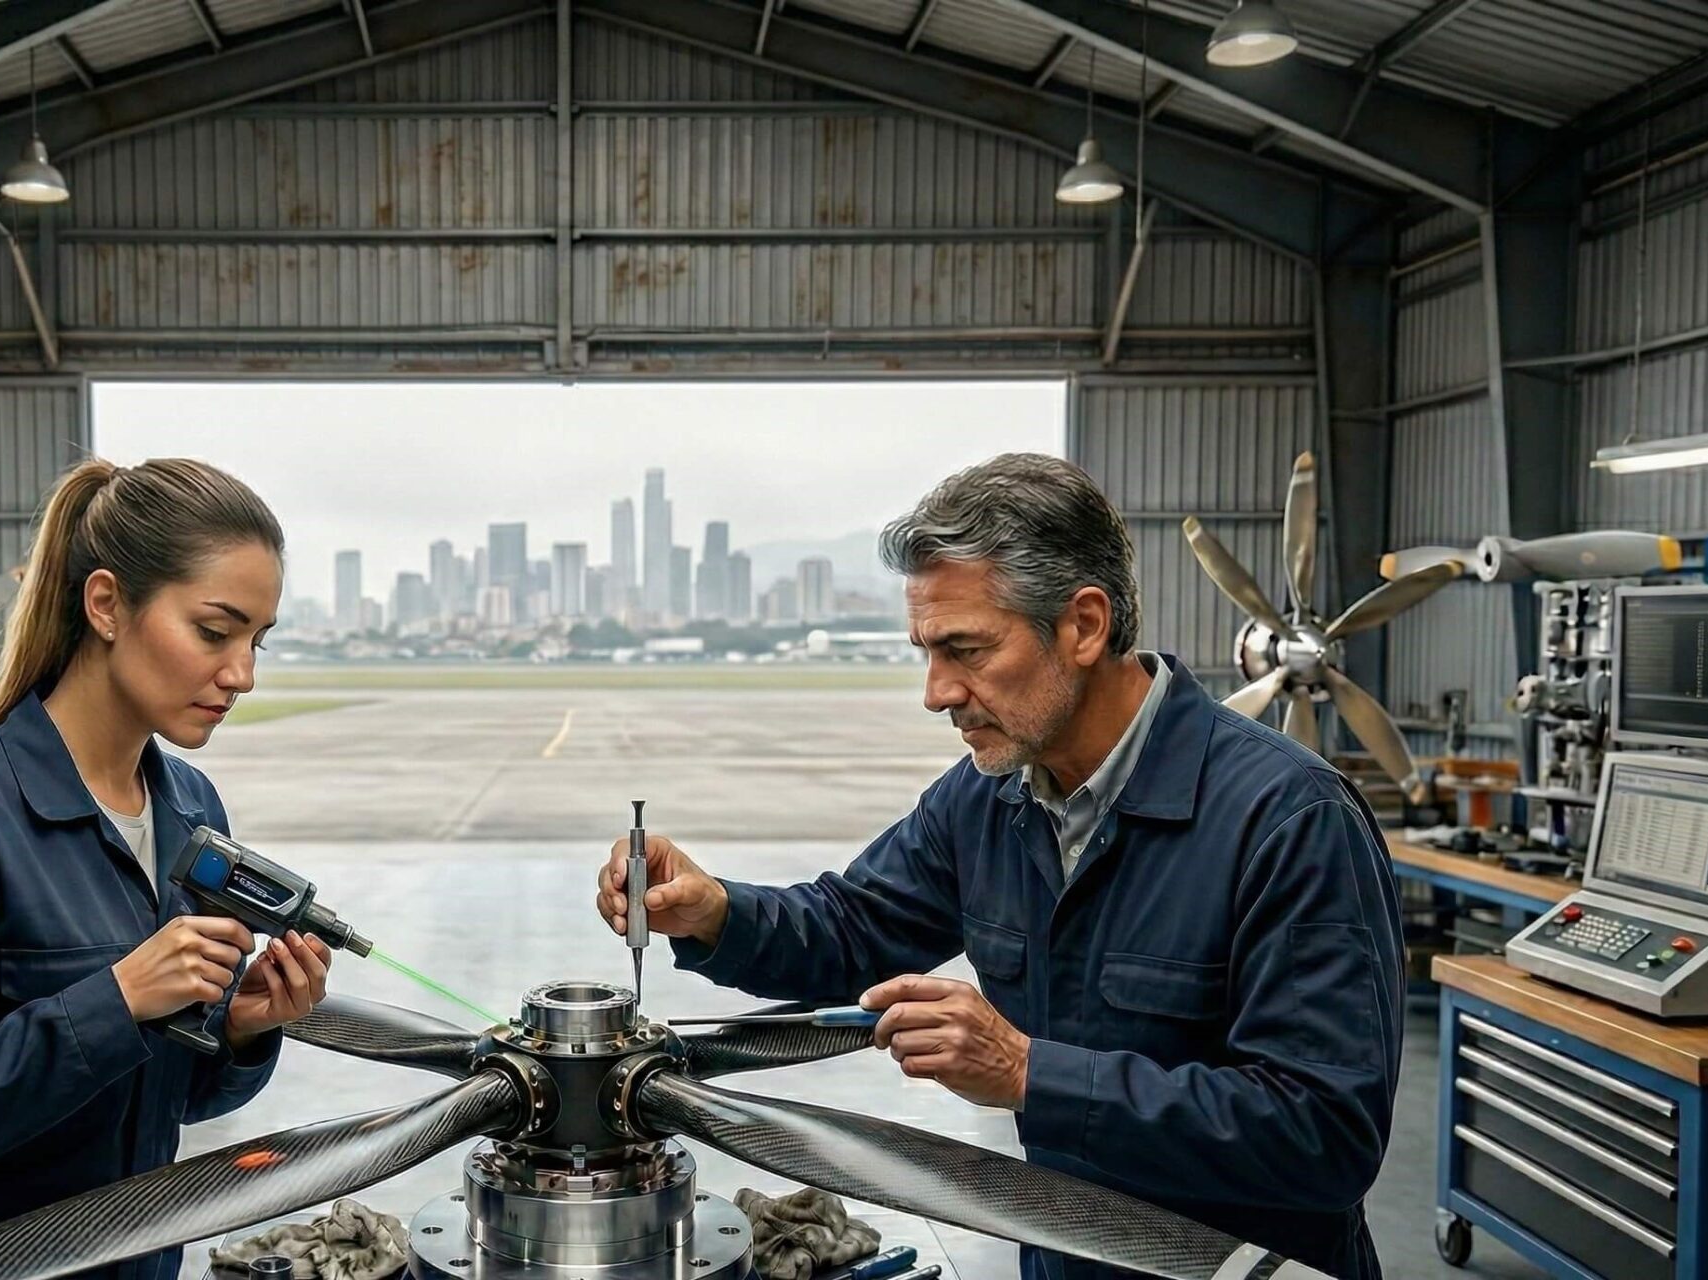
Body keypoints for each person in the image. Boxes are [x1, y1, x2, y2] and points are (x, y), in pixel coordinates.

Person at [597, 454, 1401, 1280]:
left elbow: (1323, 1137)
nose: (937, 692)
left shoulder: (1289, 820)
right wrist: (714, 911)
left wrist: (1028, 1074)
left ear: (1084, 626)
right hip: (1059, 1258)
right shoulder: (991, 798)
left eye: (967, 650)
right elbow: (853, 927)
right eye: (926, 652)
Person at [0, 458, 332, 1280]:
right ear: (106, 604)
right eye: (215, 632)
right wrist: (117, 1000)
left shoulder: (192, 810)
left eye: (257, 640)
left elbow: (168, 1101)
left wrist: (243, 1033)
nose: (242, 674)